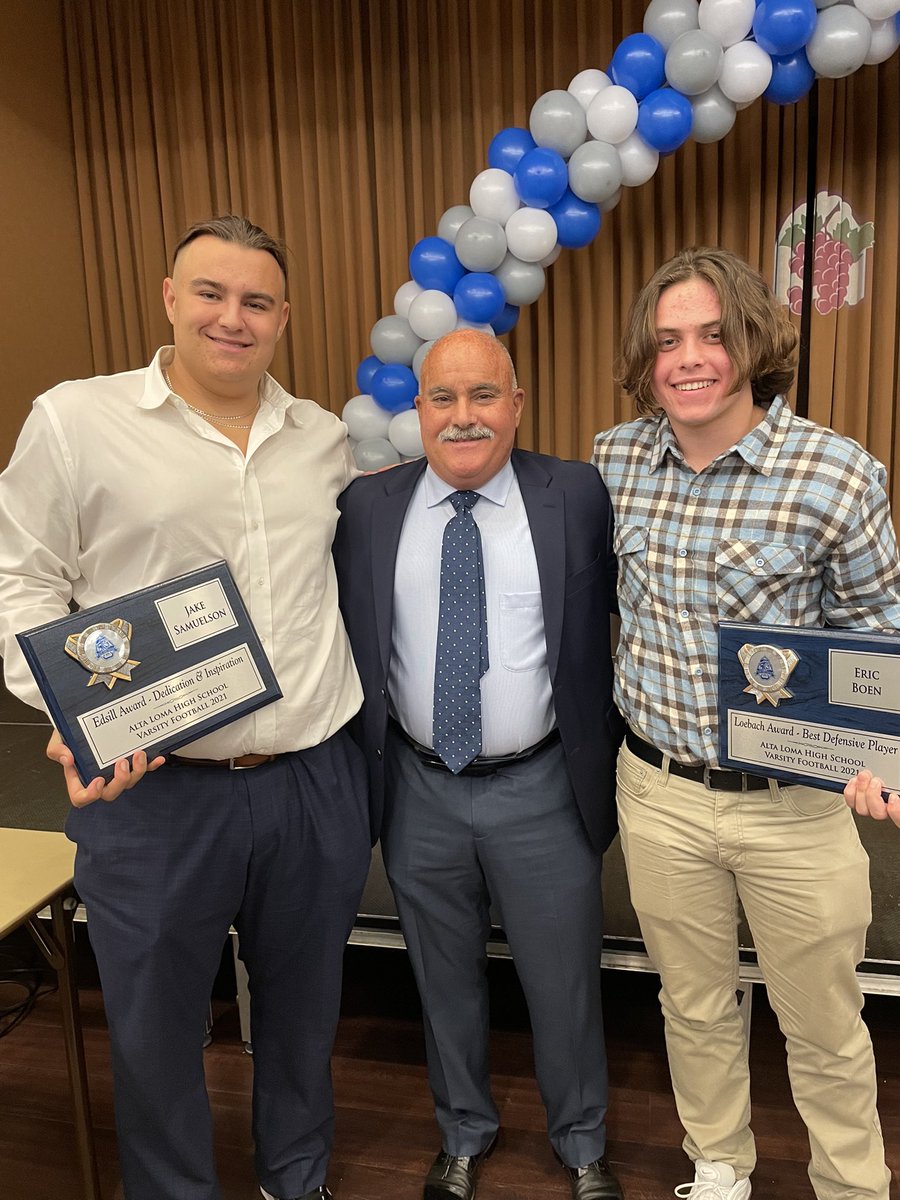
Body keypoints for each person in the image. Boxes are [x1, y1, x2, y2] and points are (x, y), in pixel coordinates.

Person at [0, 215, 372, 1200]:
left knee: (304, 1018)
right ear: (169, 298)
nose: (231, 318)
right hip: (155, 792)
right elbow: (20, 580)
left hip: (311, 781)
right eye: (210, 293)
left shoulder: (324, 440)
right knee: (155, 1033)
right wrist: (73, 707)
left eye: (256, 302)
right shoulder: (77, 420)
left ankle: (297, 1182)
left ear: (283, 317)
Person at [592, 246, 900, 1200]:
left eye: (713, 336)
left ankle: (851, 1186)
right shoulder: (613, 461)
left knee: (824, 1025)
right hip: (658, 794)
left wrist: (876, 751)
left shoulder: (837, 473)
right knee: (691, 1007)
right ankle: (718, 1166)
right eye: (668, 339)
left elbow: (880, 632)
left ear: (753, 343)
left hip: (796, 809)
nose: (689, 358)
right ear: (646, 358)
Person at [332, 328, 625, 1200]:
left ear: (518, 404)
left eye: (484, 395)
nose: (464, 418)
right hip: (419, 786)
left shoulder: (575, 494)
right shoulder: (366, 508)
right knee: (441, 977)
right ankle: (463, 1131)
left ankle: (582, 1144)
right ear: (416, 410)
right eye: (443, 399)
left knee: (564, 979)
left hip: (543, 786)